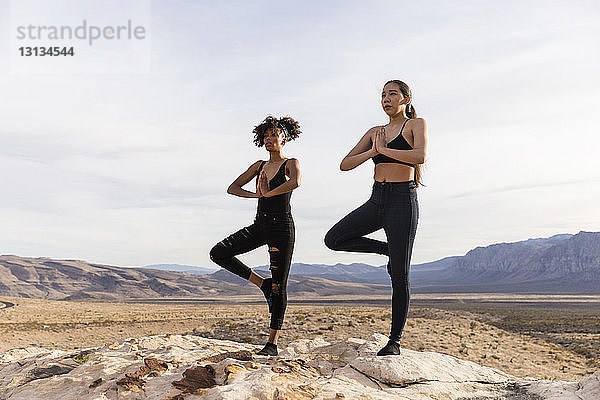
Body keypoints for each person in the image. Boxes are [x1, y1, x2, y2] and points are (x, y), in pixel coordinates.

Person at [324, 80, 427, 355]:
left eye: (392, 94)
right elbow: (345, 164)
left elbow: (420, 156)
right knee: (334, 239)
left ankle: (394, 341)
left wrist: (384, 151)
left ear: (406, 98)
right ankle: (388, 251)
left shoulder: (416, 125)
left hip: (402, 200)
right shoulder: (375, 132)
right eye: (383, 94)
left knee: (400, 276)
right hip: (377, 199)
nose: (386, 98)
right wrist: (372, 151)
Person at [209, 116, 301, 356]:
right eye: (266, 135)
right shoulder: (258, 166)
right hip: (260, 225)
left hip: (282, 227)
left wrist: (269, 193)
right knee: (218, 253)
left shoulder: (291, 162)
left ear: (285, 138)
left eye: (274, 134)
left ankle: (272, 344)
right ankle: (262, 284)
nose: (269, 139)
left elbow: (295, 182)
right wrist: (257, 196)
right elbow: (233, 188)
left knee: (279, 286)